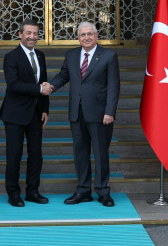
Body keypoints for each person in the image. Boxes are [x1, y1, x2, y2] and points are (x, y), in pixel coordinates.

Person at [46, 22, 120, 207]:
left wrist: (110, 111)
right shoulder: (71, 55)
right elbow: (64, 75)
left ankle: (103, 192)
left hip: (100, 114)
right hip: (76, 113)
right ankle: (83, 190)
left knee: (101, 153)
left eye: (90, 34)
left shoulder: (109, 56)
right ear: (78, 37)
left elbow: (113, 86)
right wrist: (51, 86)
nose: (86, 37)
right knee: (80, 153)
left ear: (96, 36)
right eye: (82, 35)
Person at [0, 18, 50, 207]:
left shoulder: (41, 56)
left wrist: (45, 109)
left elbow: (43, 82)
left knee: (36, 155)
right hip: (14, 114)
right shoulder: (11, 57)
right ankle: (13, 193)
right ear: (20, 34)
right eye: (28, 33)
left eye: (35, 33)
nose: (32, 37)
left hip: (36, 114)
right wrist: (38, 89)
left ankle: (32, 192)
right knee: (14, 155)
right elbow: (14, 85)